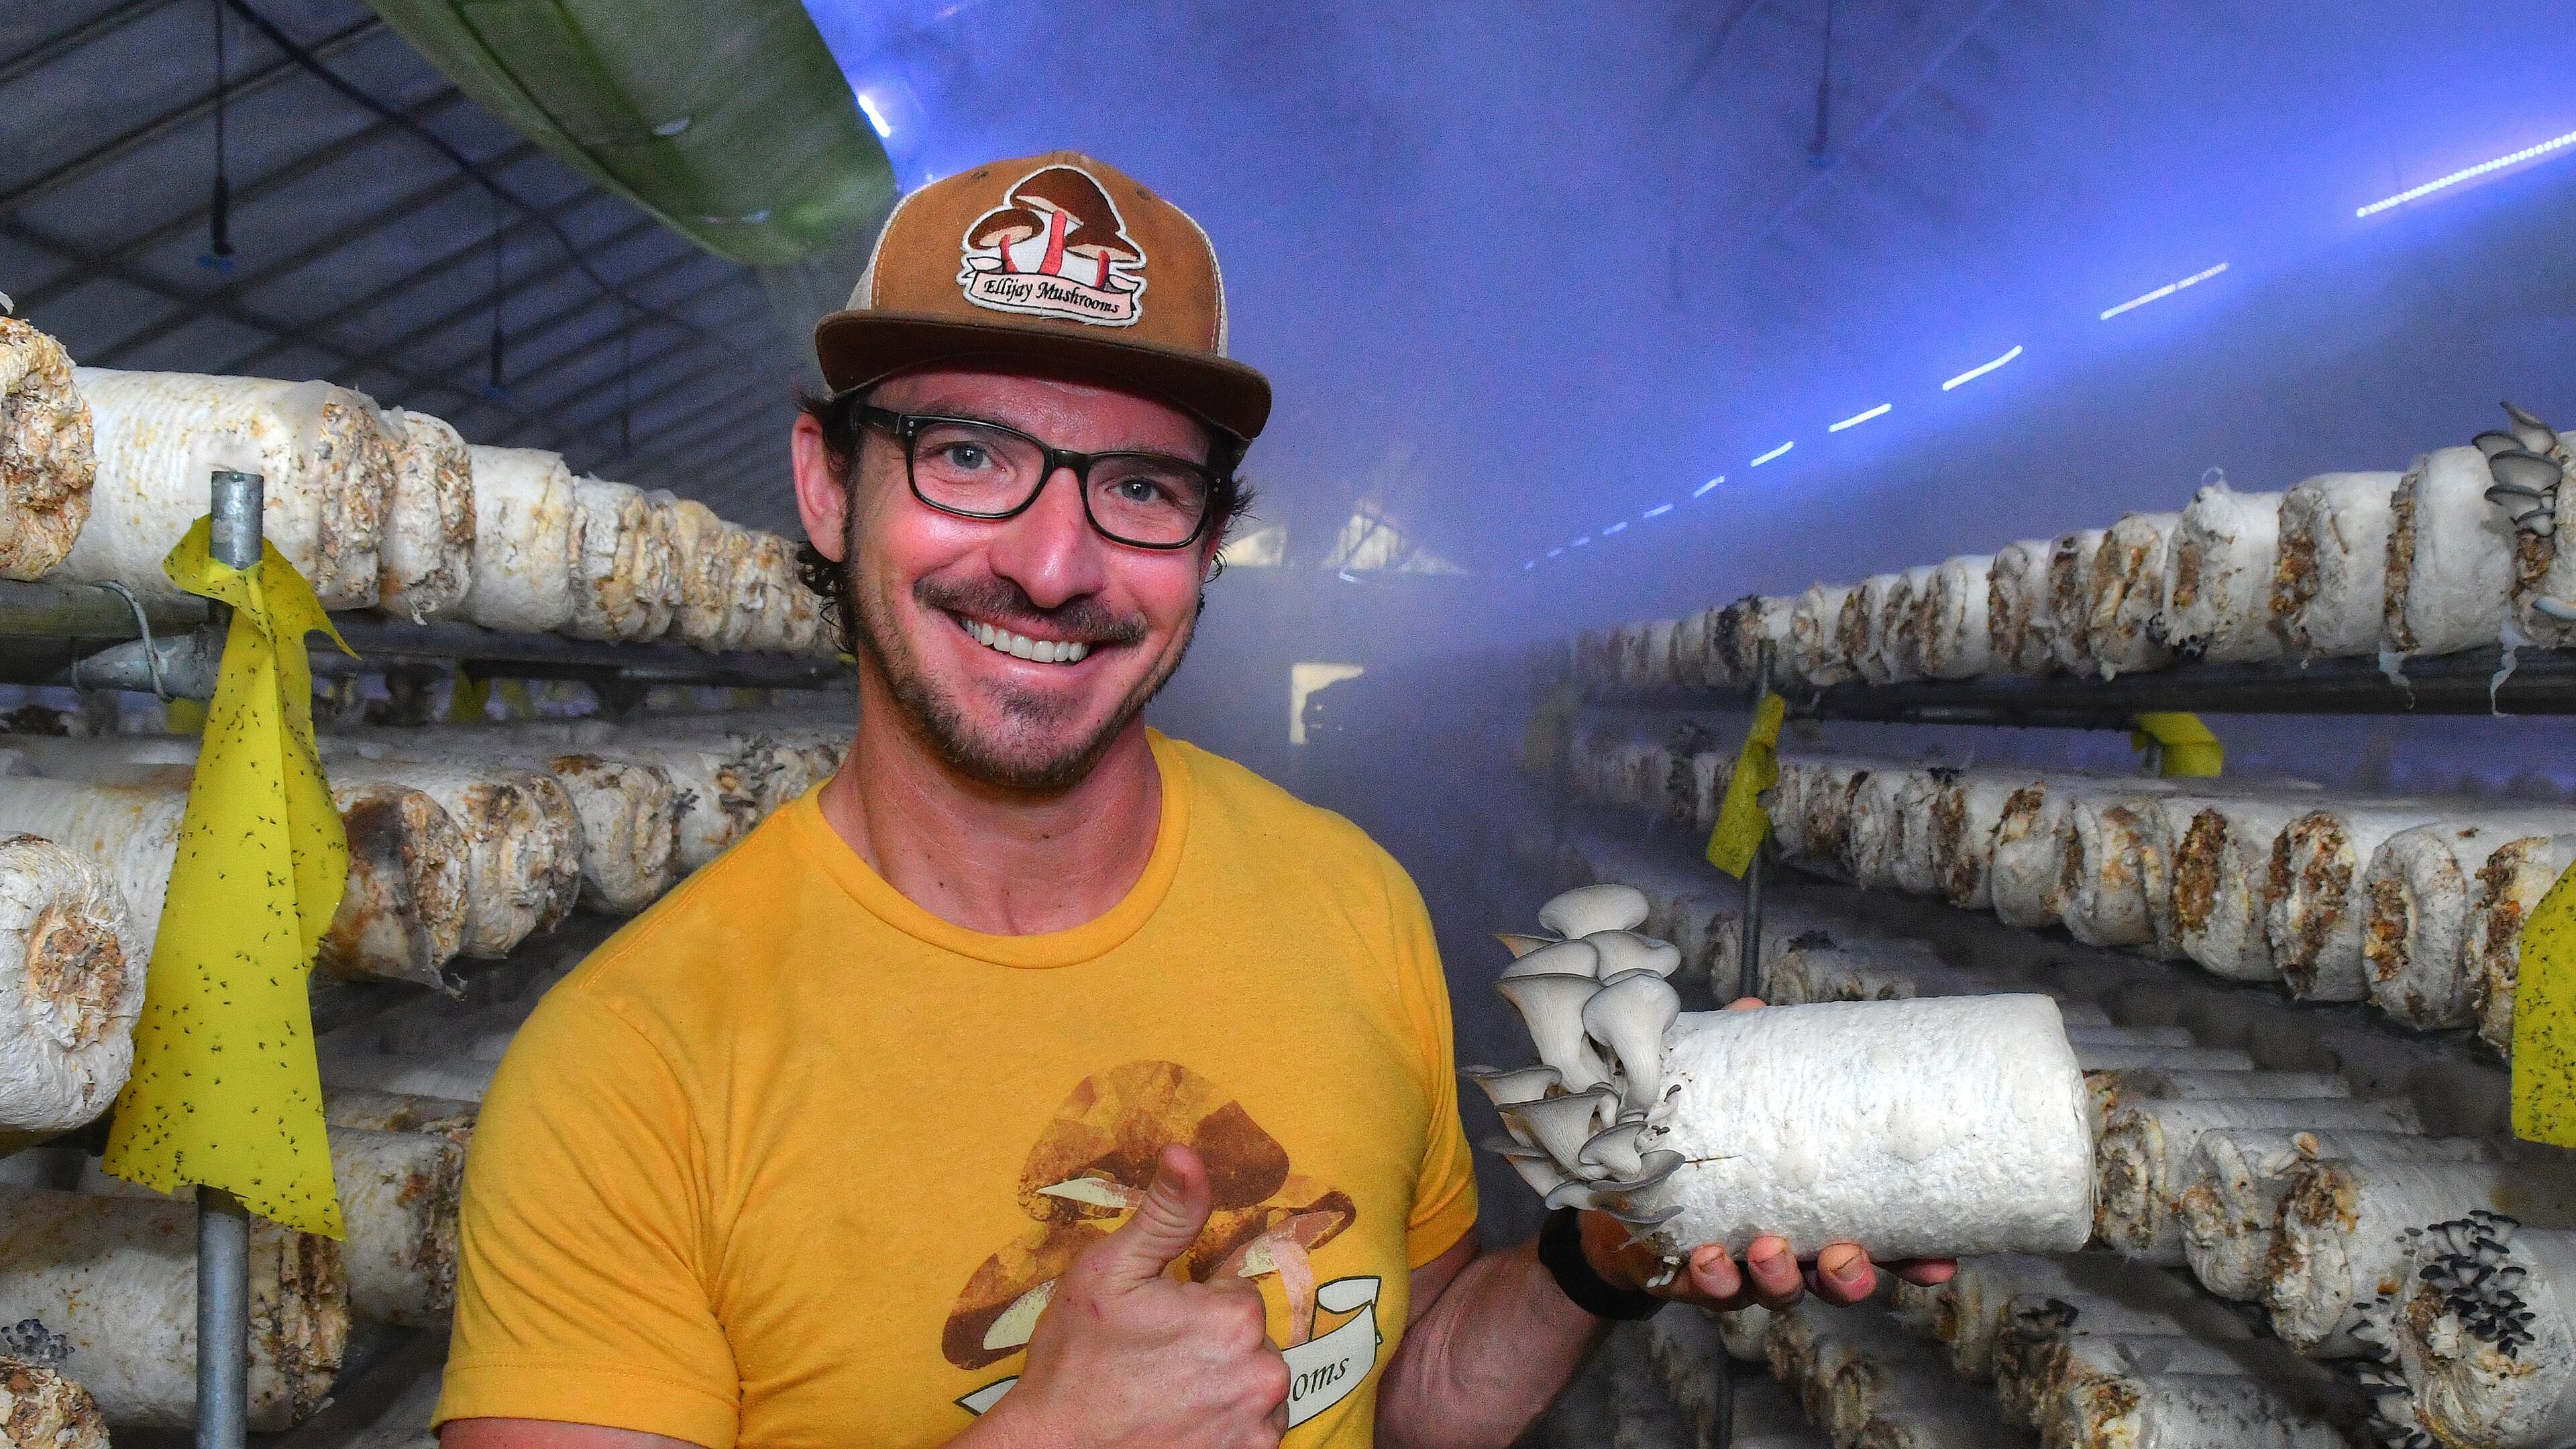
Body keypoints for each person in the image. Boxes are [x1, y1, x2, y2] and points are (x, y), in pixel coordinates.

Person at [432, 152, 1947, 1449]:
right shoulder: (627, 1075)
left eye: (1142, 489)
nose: (1052, 563)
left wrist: (1611, 1246)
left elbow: (1399, 1389)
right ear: (829, 489)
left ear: (1211, 548)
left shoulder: (1350, 899)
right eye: (967, 456)